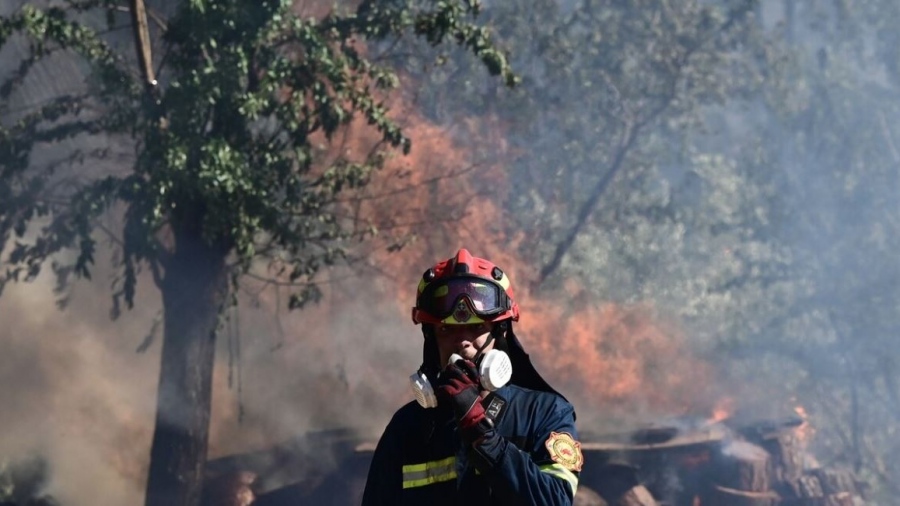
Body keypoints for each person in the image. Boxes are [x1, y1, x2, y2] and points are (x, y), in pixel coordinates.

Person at [362, 248, 583, 505]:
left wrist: (482, 435)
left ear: (500, 334)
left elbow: (555, 501)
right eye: (447, 330)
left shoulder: (545, 413)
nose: (462, 343)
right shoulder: (407, 428)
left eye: (477, 327)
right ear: (431, 340)